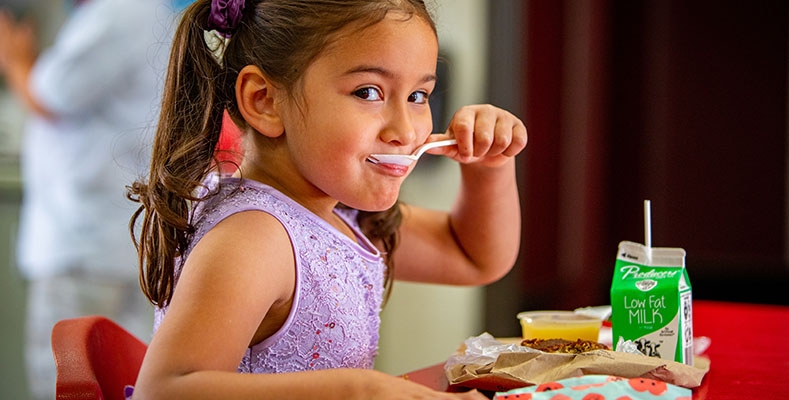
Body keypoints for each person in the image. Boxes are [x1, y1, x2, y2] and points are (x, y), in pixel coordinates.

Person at [127, 0, 527, 398]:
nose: (406, 131)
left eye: (419, 96)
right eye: (368, 92)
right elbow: (163, 390)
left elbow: (471, 256)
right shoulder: (255, 237)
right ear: (264, 100)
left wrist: (488, 166)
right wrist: (359, 390)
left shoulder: (331, 211)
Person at [0, 1, 185, 398]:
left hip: (85, 241)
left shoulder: (117, 13)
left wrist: (13, 55)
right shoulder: (151, 13)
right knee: (123, 380)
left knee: (68, 385)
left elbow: (48, 95)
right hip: (122, 238)